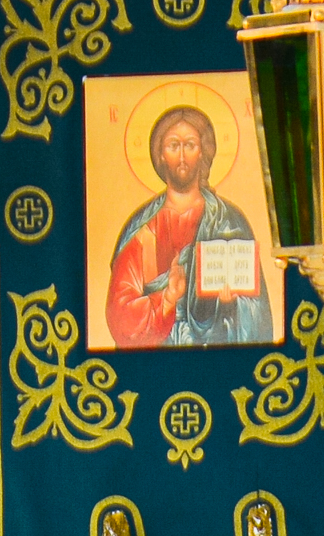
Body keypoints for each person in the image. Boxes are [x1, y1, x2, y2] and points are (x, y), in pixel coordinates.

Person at [103, 101, 273, 350]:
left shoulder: (229, 220)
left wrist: (229, 305)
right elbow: (120, 313)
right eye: (173, 145)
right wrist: (167, 298)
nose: (182, 155)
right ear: (160, 154)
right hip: (157, 360)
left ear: (203, 151)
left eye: (190, 145)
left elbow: (257, 315)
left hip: (216, 359)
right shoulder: (143, 229)